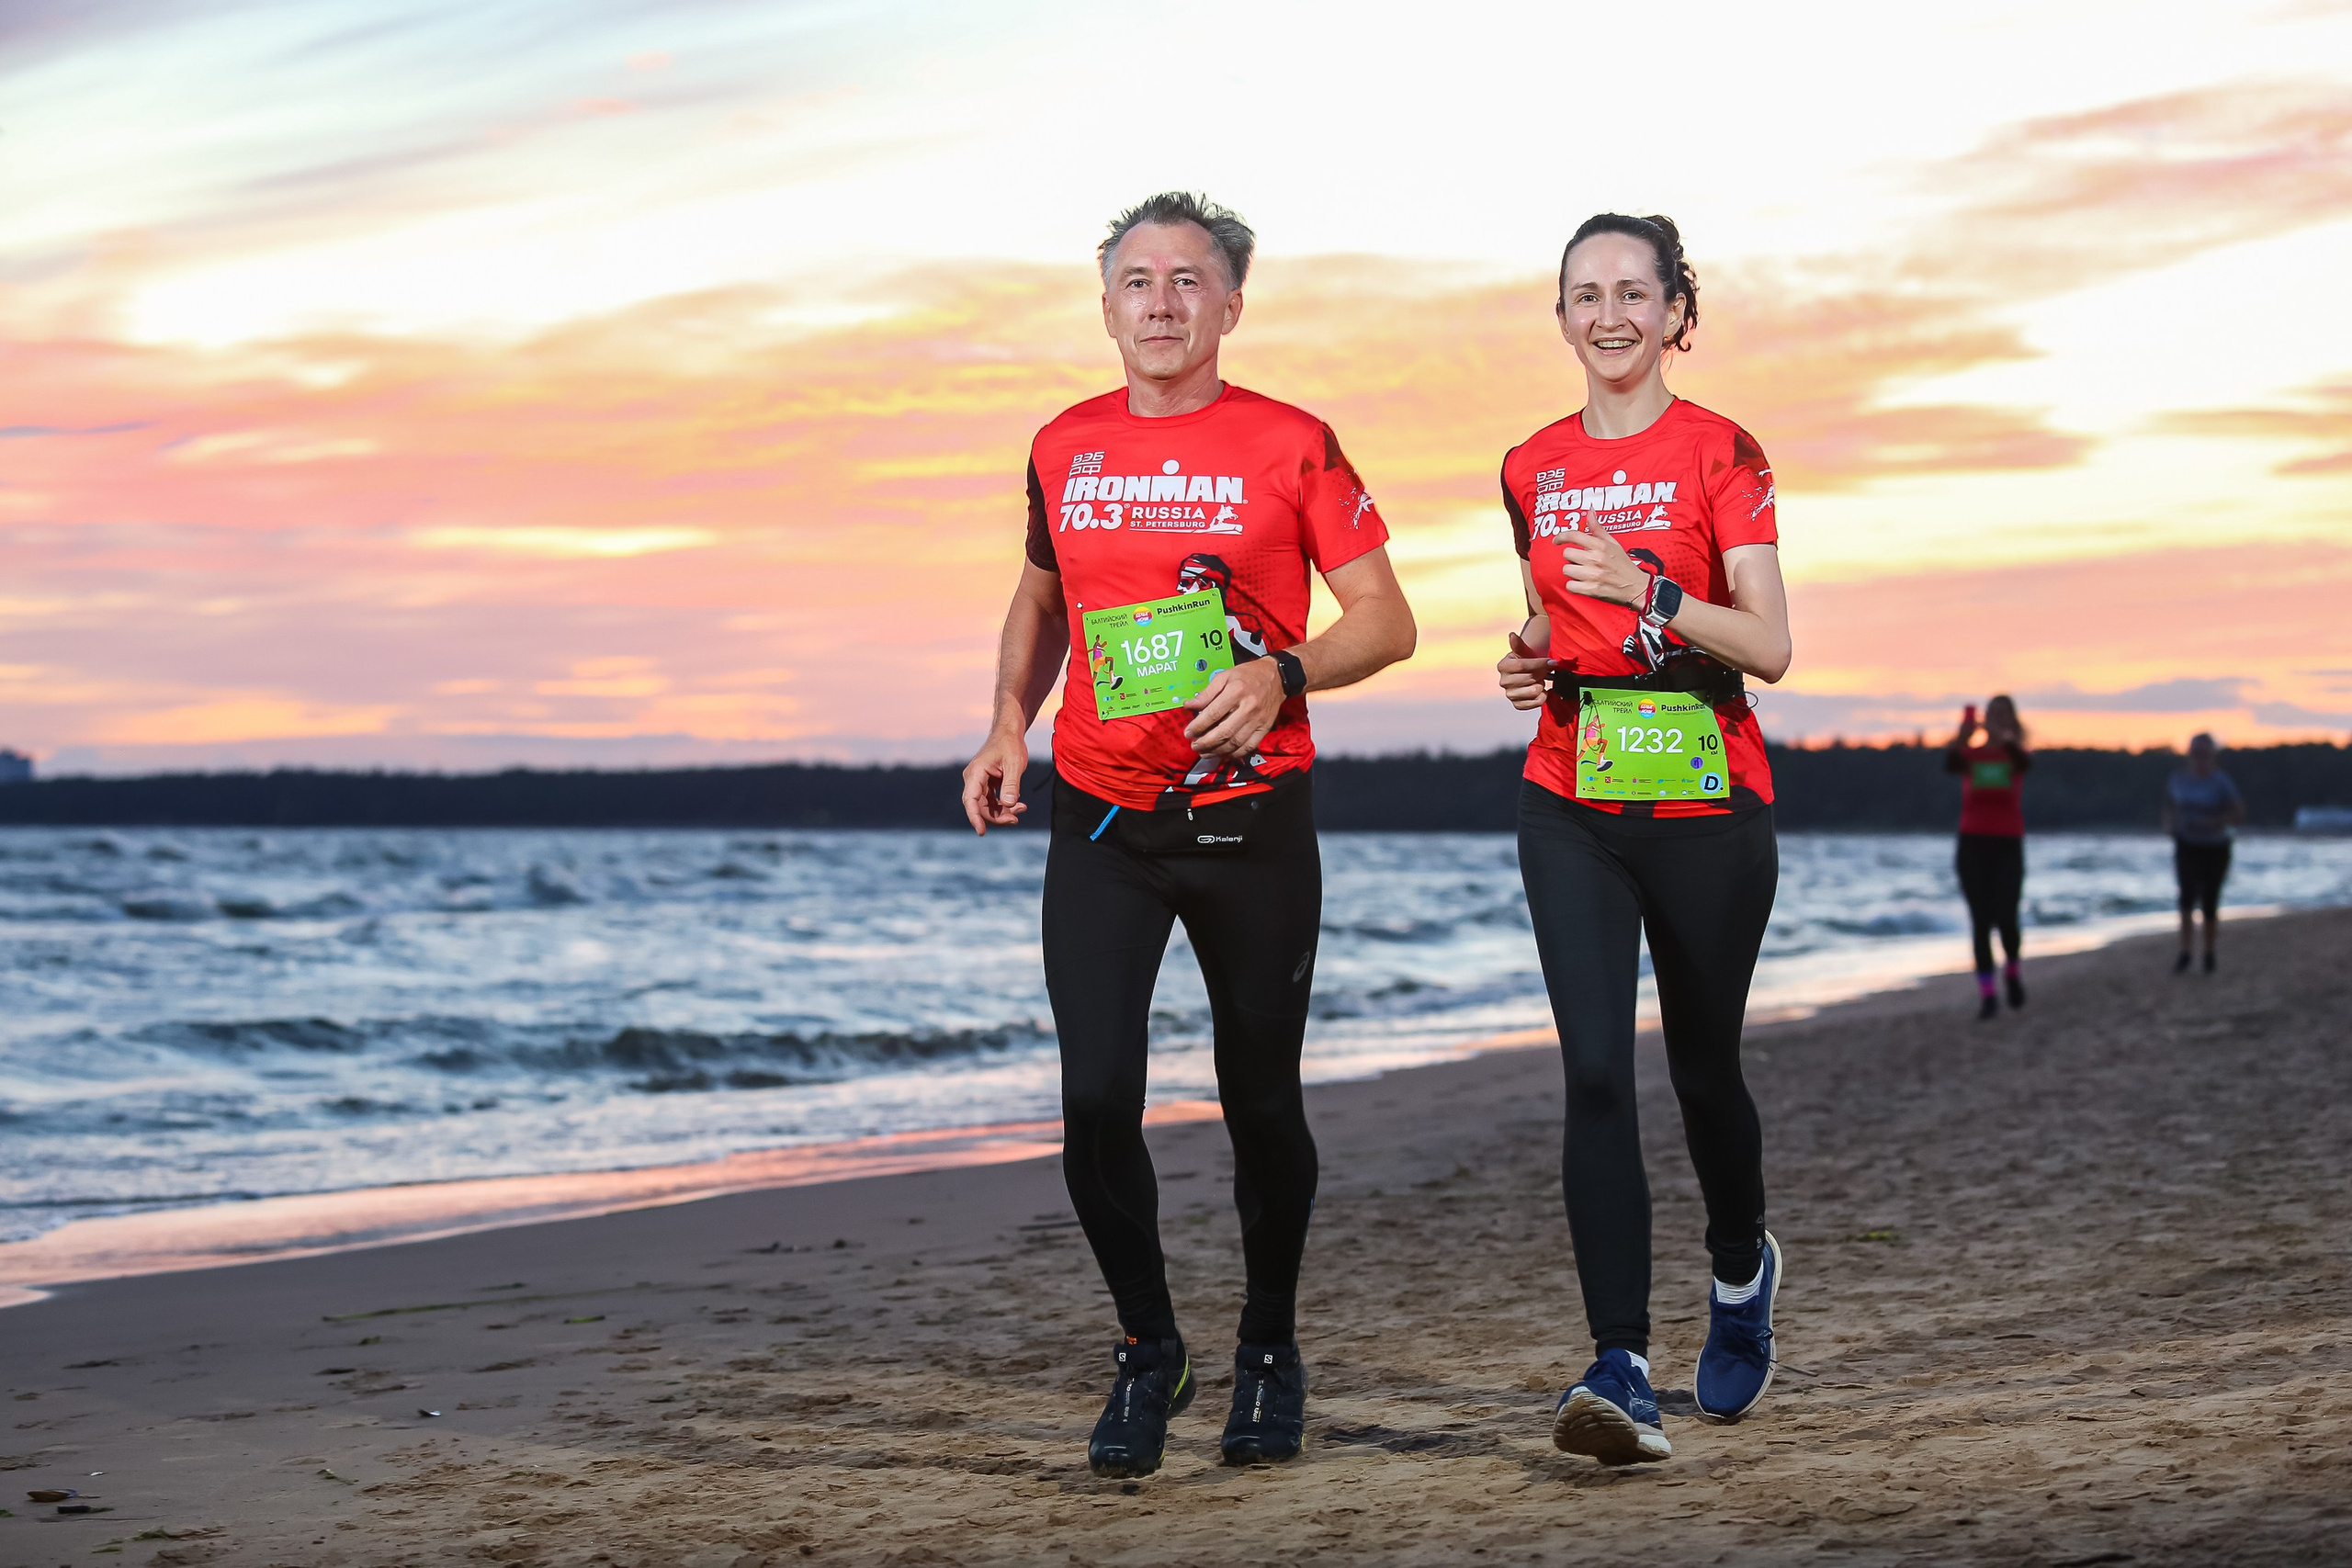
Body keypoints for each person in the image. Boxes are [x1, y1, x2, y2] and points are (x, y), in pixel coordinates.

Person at [960, 192, 1417, 1479]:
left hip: (1251, 822)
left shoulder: (1293, 441)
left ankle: (1268, 1340)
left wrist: (1284, 670)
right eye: (1137, 281)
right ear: (1105, 304)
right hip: (1102, 818)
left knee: (1258, 1098)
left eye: (1187, 281)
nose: (1160, 302)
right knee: (1096, 1096)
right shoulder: (1064, 445)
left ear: (1229, 305)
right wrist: (1007, 721)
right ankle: (1147, 1342)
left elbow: (1387, 617)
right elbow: (1044, 592)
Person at [1493, 213, 1792, 1465]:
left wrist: (1655, 592)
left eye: (1632, 291)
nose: (1607, 313)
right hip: (1572, 790)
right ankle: (1620, 1358)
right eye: (1583, 293)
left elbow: (1769, 645)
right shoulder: (1527, 464)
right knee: (1598, 1073)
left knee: (1704, 1068)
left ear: (1677, 311)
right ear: (1560, 315)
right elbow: (1547, 613)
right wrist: (1529, 656)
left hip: (1708, 797)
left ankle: (1739, 1268)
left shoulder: (1724, 449)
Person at [1946, 695, 2031, 1020]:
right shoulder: (1972, 754)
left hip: (2008, 844)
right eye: (1991, 714)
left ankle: (2011, 970)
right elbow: (1949, 764)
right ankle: (1988, 995)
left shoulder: (2016, 755)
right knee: (1981, 921)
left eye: (2002, 715)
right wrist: (1963, 734)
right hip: (1972, 844)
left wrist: (2007, 739)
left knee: (2007, 917)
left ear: (2011, 720)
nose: (1995, 720)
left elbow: (2024, 764)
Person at [2162, 732, 2245, 973]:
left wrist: (2219, 821)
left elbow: (2239, 813)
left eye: (2204, 754)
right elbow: (2169, 806)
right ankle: (2185, 952)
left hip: (2216, 847)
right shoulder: (2178, 780)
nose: (2199, 758)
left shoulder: (2221, 781)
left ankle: (2209, 953)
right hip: (2186, 844)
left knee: (2210, 901)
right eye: (2195, 753)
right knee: (2186, 898)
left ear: (2212, 756)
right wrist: (2169, 826)